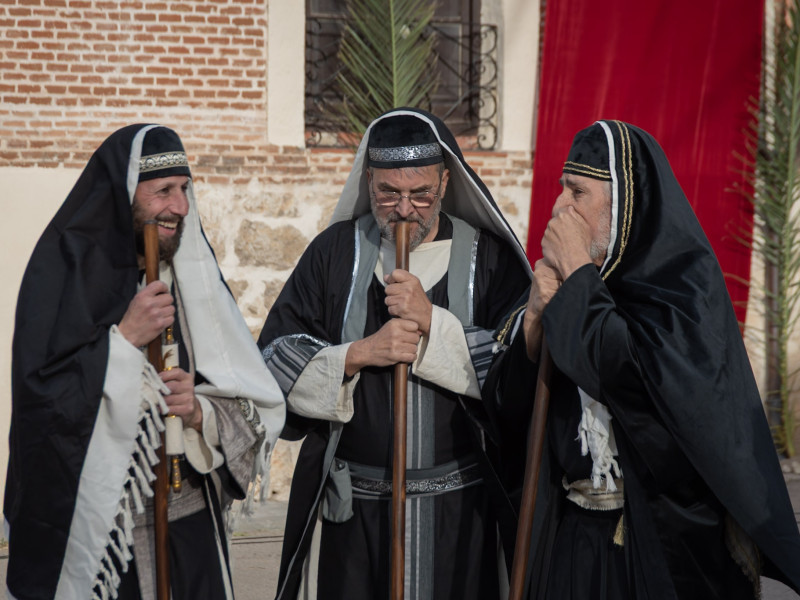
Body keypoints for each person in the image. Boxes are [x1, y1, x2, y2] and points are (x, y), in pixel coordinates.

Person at [484, 120, 800, 599]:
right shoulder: (565, 288)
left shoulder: (684, 293)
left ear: (626, 205)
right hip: (571, 541)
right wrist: (531, 324)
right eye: (561, 189)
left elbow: (642, 389)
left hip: (659, 546)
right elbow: (509, 413)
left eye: (577, 192)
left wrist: (578, 279)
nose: (558, 207)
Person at [257, 107, 532, 600]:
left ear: (445, 182)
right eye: (389, 193)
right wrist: (358, 355)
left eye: (420, 193)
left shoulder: (489, 260)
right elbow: (275, 356)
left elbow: (522, 371)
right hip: (355, 520)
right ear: (368, 182)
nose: (405, 210)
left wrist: (433, 325)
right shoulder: (335, 253)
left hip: (460, 517)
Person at [4, 124, 286, 600]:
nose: (179, 206)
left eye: (184, 190)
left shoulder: (193, 277)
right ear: (123, 194)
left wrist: (199, 411)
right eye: (161, 192)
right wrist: (124, 341)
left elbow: (248, 395)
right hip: (103, 542)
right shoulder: (63, 273)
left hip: (192, 527)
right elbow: (43, 406)